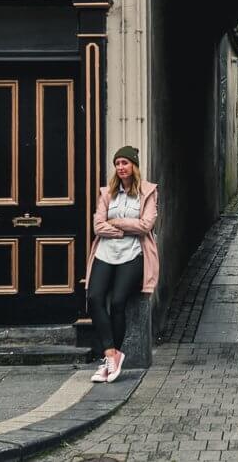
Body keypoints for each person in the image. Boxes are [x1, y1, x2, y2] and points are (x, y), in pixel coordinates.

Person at [86, 145, 159, 383]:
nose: (121, 168)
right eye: (117, 164)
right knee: (95, 298)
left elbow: (146, 225)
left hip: (134, 255)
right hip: (105, 253)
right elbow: (98, 226)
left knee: (118, 302)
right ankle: (110, 355)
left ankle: (112, 359)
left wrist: (116, 221)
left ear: (134, 166)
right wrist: (122, 229)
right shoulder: (107, 193)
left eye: (125, 163)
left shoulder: (147, 192)